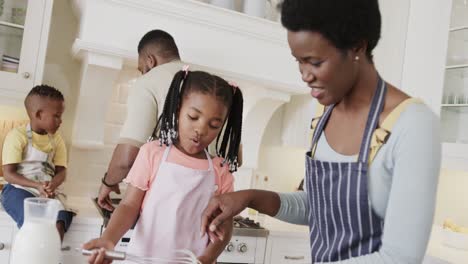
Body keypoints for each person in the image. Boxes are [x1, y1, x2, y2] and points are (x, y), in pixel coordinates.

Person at [201, 0, 441, 263]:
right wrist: (247, 198)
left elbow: (400, 258)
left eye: (314, 62)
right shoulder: (323, 115)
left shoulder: (411, 124)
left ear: (357, 47)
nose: (304, 75)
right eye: (299, 61)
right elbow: (318, 207)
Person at [83, 68, 244, 264]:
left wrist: (209, 257)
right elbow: (129, 205)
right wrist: (109, 239)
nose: (201, 129)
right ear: (177, 110)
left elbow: (225, 225)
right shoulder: (153, 153)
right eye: (193, 117)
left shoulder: (220, 171)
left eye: (214, 125)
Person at [97, 29, 187, 211]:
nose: (142, 74)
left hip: (167, 203)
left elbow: (126, 159)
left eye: (141, 69)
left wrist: (108, 182)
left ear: (150, 60)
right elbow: (236, 158)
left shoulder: (149, 82)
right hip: (207, 206)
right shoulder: (208, 83)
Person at [1, 85, 74, 241]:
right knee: (35, 225)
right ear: (39, 114)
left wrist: (51, 185)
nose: (60, 121)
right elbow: (9, 174)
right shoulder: (17, 136)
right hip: (18, 190)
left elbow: (62, 171)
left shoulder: (57, 139)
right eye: (57, 116)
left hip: (47, 191)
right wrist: (37, 186)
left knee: (59, 222)